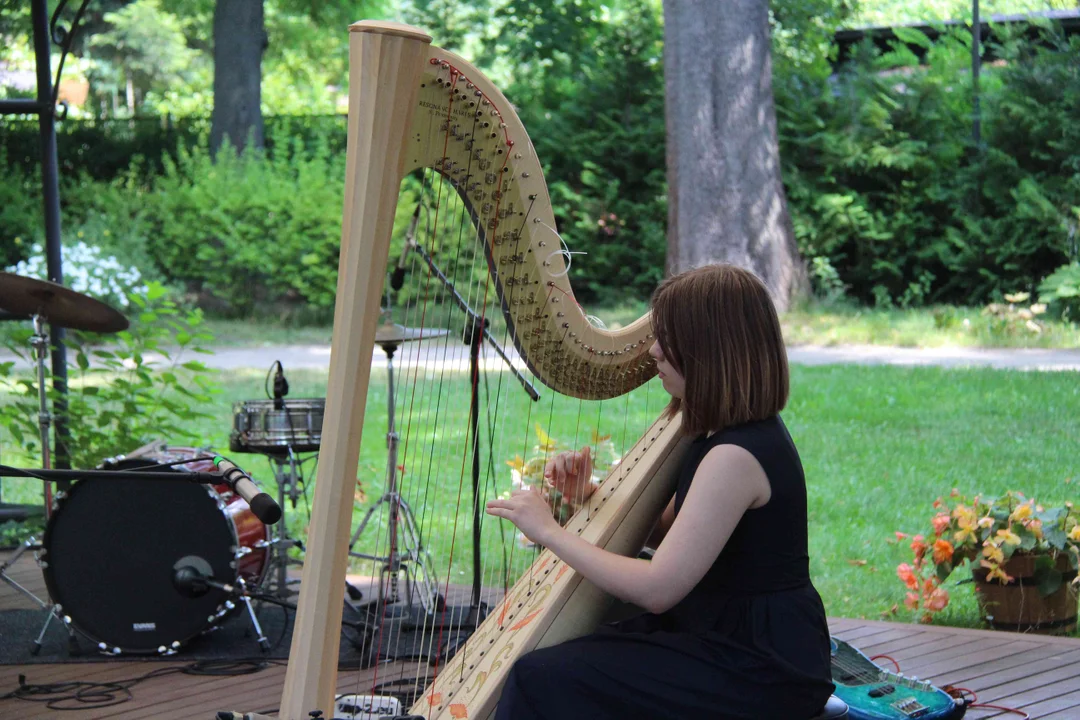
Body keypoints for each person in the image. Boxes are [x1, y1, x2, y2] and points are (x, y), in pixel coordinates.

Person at [485, 264, 835, 720]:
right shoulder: (719, 435)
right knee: (570, 660)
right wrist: (585, 494)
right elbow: (671, 533)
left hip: (759, 665)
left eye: (667, 338)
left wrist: (549, 532)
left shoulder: (735, 456)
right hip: (725, 634)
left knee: (542, 676)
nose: (653, 351)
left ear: (707, 351)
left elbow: (657, 589)